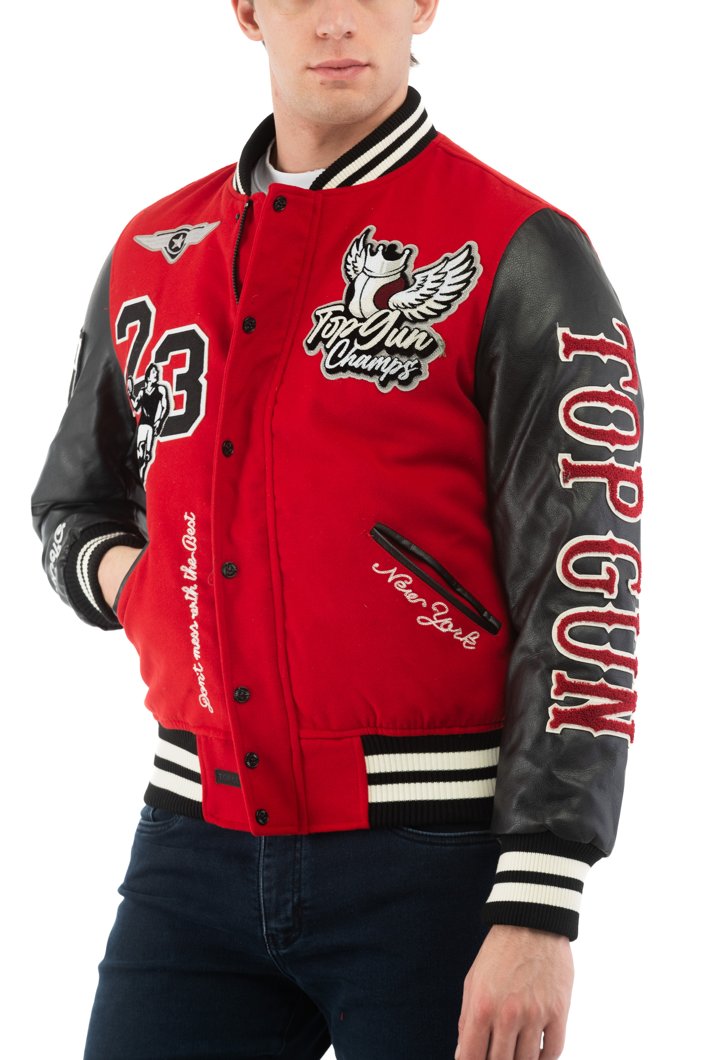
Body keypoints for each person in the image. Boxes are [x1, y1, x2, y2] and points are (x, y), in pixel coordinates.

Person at [30, 1, 643, 1057]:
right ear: (247, 11)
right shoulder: (152, 250)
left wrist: (539, 902)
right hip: (190, 848)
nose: (335, 22)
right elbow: (70, 504)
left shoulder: (521, 249)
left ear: (422, 5)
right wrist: (141, 588)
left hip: (439, 864)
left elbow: (585, 586)